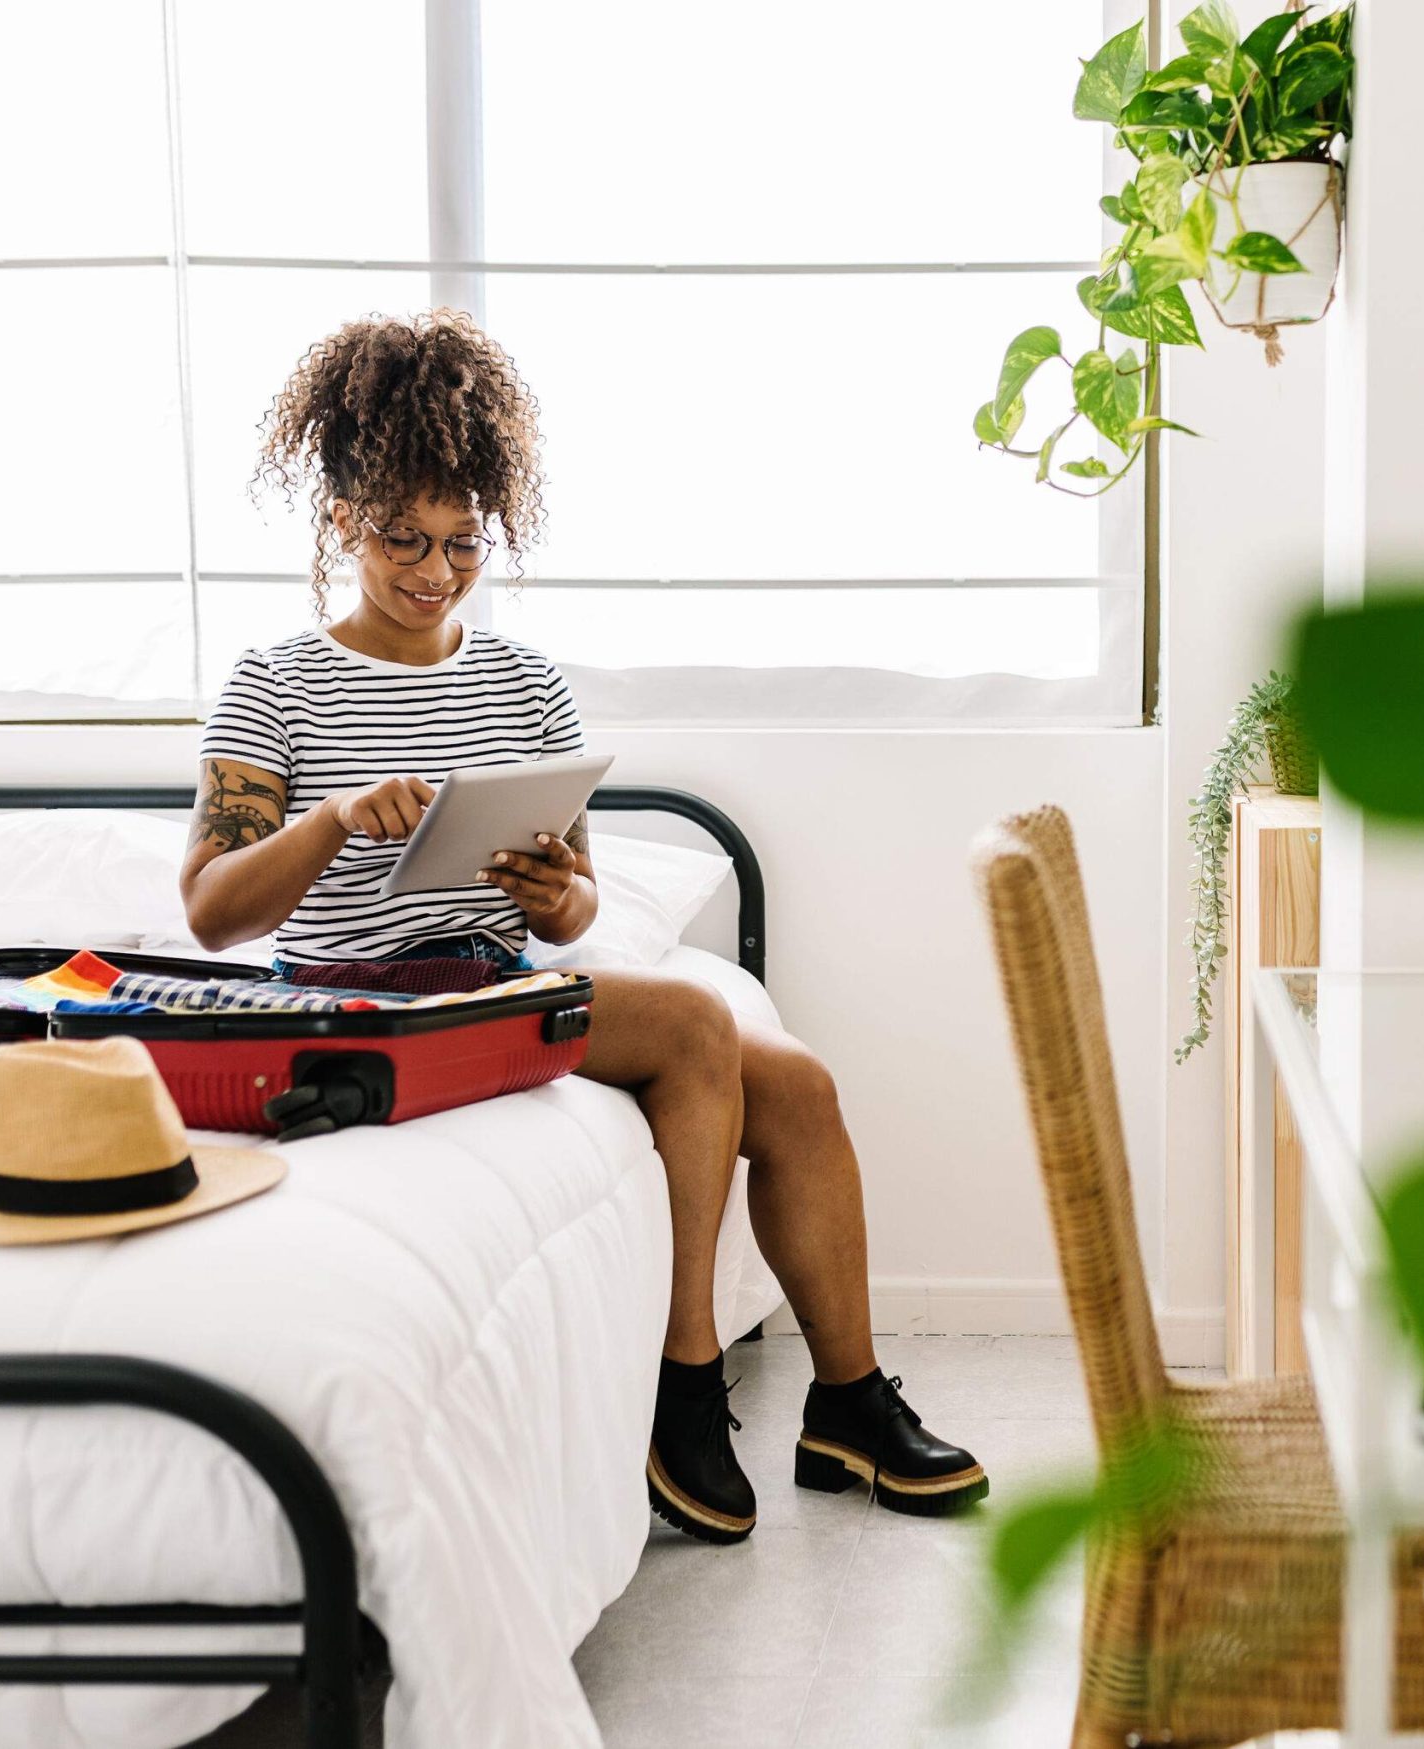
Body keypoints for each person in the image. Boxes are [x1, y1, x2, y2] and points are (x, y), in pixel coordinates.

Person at [178, 309, 983, 1543]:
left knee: (804, 1089)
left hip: (491, 977)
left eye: (462, 542)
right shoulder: (278, 682)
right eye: (404, 538)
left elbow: (582, 900)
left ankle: (846, 1402)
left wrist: (558, 897)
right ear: (341, 519)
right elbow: (210, 910)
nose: (435, 570)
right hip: (359, 999)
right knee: (689, 1018)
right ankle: (687, 1385)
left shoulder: (522, 683)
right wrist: (334, 819)